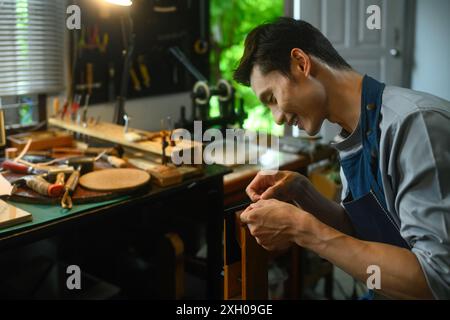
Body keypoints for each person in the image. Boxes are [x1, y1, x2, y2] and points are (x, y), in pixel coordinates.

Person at [233, 17, 450, 299]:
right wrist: (303, 192)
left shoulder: (415, 125)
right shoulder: (354, 133)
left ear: (301, 63)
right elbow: (365, 232)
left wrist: (302, 229)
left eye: (272, 98)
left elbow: (436, 280)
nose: (276, 119)